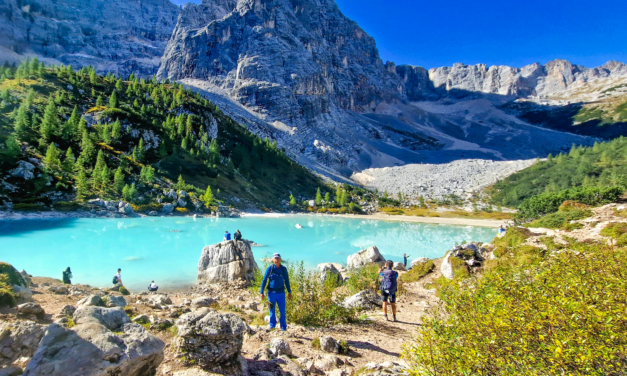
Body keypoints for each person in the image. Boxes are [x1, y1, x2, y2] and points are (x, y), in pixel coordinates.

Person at [260, 253, 292, 331]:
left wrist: (289, 292)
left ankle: (283, 327)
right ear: (273, 259)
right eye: (275, 258)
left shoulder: (283, 269)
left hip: (281, 293)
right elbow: (264, 280)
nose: (276, 260)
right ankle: (272, 326)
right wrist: (262, 292)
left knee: (282, 311)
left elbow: (287, 281)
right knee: (271, 311)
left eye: (278, 258)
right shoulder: (269, 269)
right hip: (271, 294)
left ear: (280, 259)